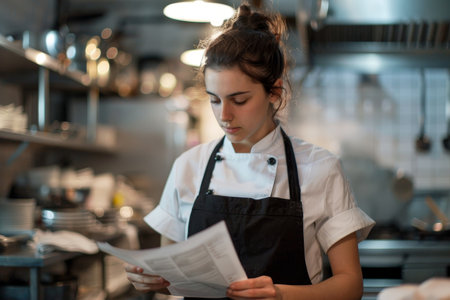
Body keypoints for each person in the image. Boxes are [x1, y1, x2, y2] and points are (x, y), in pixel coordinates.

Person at [125, 3, 375, 300]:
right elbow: (173, 274)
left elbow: (350, 285)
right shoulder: (189, 166)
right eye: (214, 100)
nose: (224, 115)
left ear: (274, 92)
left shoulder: (320, 168)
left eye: (239, 100)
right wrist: (154, 280)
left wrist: (280, 295)